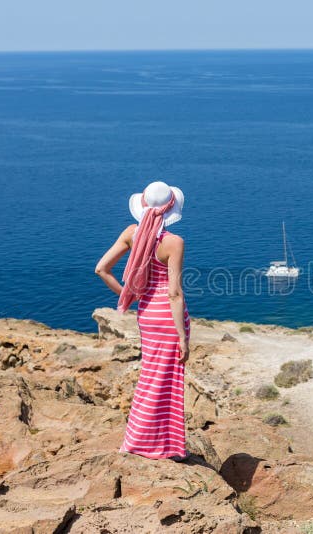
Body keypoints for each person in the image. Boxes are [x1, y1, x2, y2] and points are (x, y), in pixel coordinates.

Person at [95, 180, 190, 460]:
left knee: (150, 378)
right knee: (167, 382)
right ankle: (156, 445)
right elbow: (174, 293)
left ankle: (142, 441)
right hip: (169, 319)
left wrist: (132, 294)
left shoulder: (130, 233)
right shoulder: (174, 243)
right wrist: (183, 337)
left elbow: (102, 269)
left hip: (147, 313)